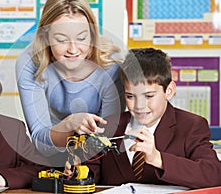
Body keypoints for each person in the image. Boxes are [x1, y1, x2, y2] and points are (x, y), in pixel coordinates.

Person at [65, 48, 221, 188]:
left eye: (149, 96)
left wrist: (158, 159)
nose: (139, 106)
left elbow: (213, 174)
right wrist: (76, 173)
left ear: (169, 91)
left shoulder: (191, 126)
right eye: (130, 96)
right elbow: (93, 175)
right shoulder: (108, 125)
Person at [15, 0, 125, 163]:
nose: (73, 49)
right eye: (61, 40)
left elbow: (107, 134)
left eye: (81, 38)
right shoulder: (29, 64)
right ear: (46, 38)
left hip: (98, 160)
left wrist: (79, 158)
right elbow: (39, 140)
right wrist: (69, 125)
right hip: (50, 158)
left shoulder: (113, 63)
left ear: (93, 35)